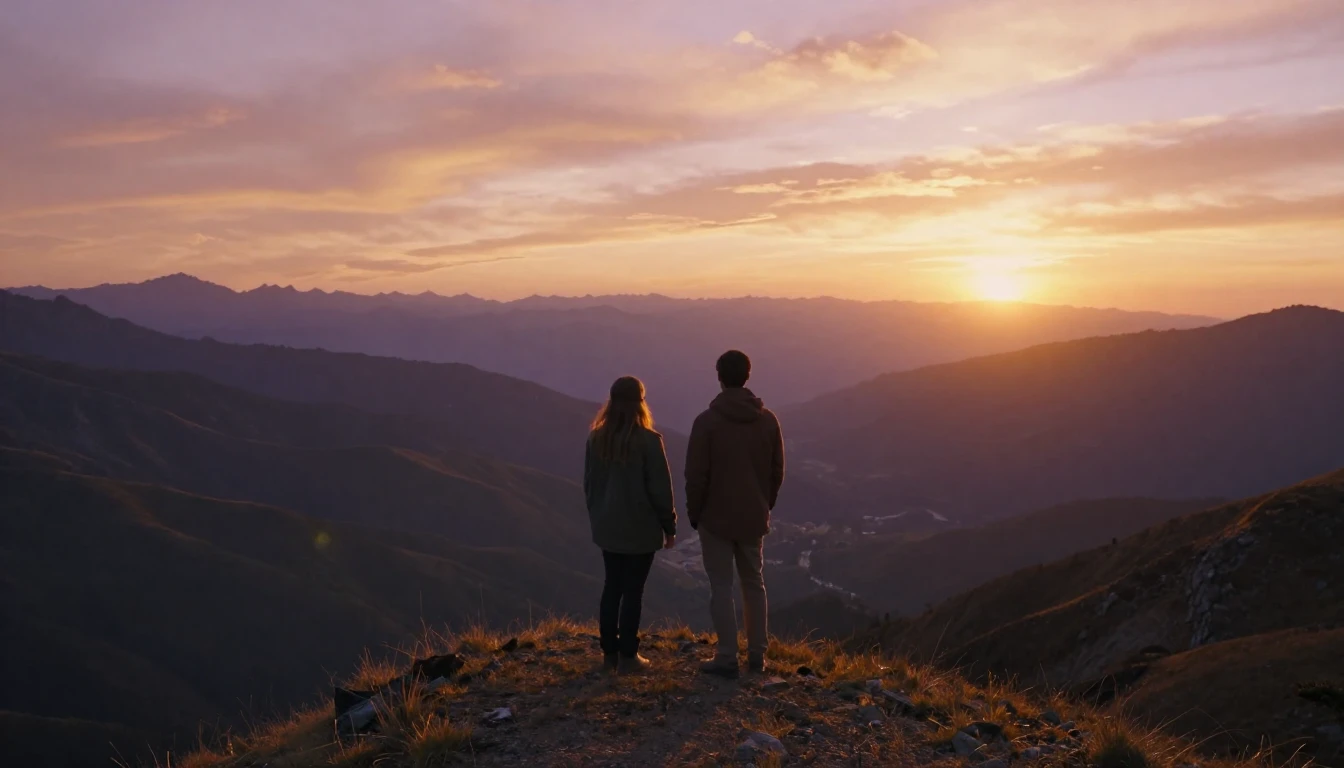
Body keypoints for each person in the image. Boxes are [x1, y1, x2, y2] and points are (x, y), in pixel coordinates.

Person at [686, 350, 785, 678]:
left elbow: (695, 475)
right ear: (747, 376)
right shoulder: (768, 421)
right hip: (753, 517)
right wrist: (764, 503)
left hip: (715, 518)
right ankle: (757, 656)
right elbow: (777, 471)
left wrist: (694, 512)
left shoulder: (706, 423)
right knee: (754, 583)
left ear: (719, 376)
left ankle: (727, 656)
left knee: (721, 587)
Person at [584, 376, 677, 675]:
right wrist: (669, 526)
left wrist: (598, 516)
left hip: (608, 526)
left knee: (612, 587)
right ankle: (629, 657)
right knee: (633, 591)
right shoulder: (649, 441)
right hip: (640, 529)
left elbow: (589, 485)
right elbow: (661, 489)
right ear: (640, 402)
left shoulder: (596, 438)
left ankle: (608, 654)